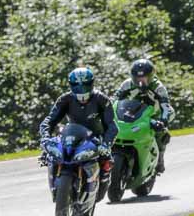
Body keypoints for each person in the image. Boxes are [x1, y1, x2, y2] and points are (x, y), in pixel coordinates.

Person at [39, 67, 118, 197]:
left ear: (91, 83)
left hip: (95, 138)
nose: (81, 89)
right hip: (71, 135)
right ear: (71, 85)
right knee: (49, 155)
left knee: (106, 161)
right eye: (76, 85)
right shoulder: (65, 99)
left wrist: (106, 144)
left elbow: (112, 126)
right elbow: (49, 121)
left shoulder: (102, 99)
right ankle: (56, 183)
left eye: (85, 85)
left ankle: (102, 183)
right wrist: (45, 137)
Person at [114, 58, 174, 173]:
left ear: (151, 76)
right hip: (133, 111)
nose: (140, 82)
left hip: (155, 113)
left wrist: (163, 120)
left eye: (144, 78)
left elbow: (165, 105)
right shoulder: (127, 84)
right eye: (137, 78)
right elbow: (114, 100)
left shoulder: (158, 87)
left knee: (162, 134)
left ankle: (160, 159)